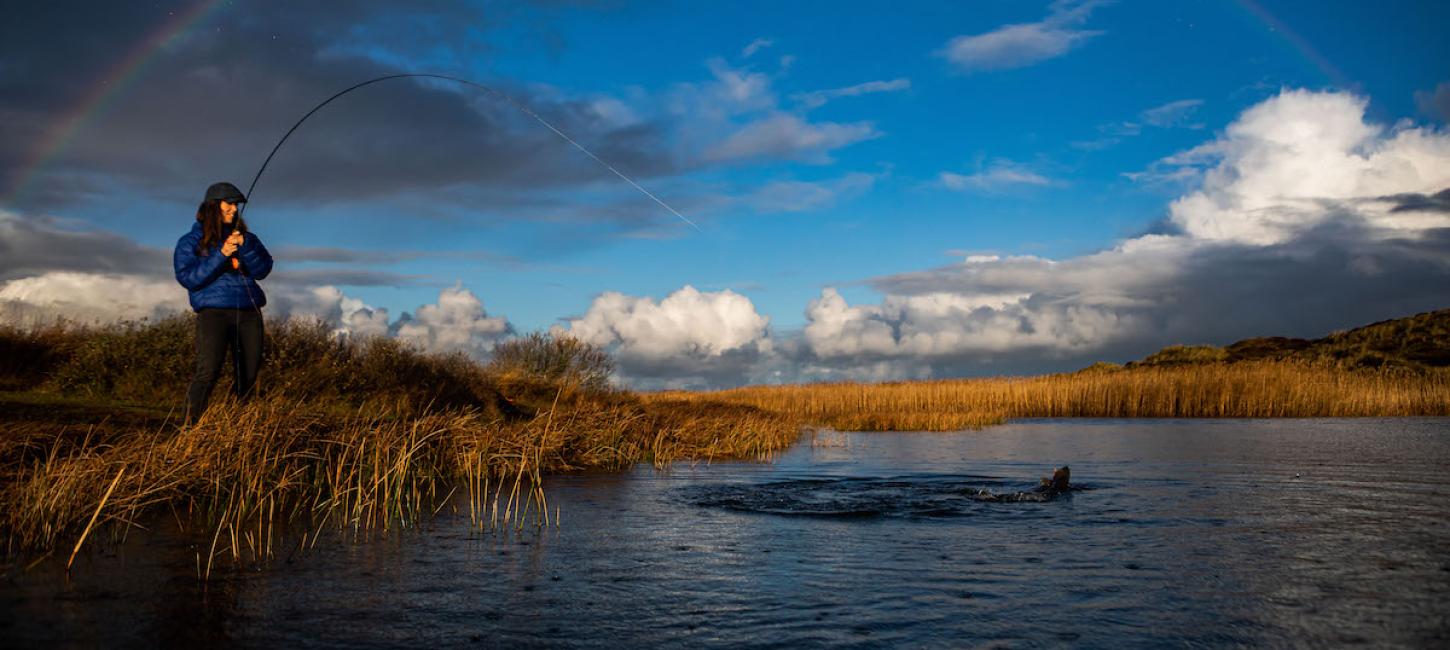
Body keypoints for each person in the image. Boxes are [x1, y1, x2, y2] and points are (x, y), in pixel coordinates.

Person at [174, 181, 273, 425]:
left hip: (249, 313)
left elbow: (263, 269)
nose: (233, 209)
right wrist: (222, 254)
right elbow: (188, 278)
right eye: (228, 203)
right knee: (208, 372)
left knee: (248, 376)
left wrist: (245, 247)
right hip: (213, 314)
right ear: (212, 206)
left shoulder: (247, 238)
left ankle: (239, 430)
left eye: (236, 205)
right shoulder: (189, 242)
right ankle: (187, 429)